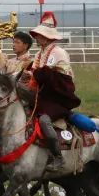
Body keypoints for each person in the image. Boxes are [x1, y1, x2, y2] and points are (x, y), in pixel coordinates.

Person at [18, 12, 80, 174]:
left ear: (46, 37)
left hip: (58, 98)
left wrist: (35, 75)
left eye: (39, 35)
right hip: (43, 95)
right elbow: (38, 73)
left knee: (45, 120)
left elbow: (51, 76)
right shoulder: (40, 54)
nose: (37, 38)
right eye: (37, 35)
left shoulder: (58, 52)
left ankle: (57, 157)